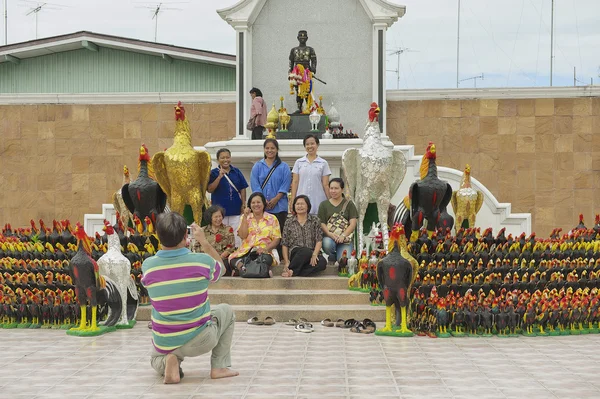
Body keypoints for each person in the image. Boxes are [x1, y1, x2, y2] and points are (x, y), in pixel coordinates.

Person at [141, 212, 238, 384]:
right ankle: (219, 367)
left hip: (166, 340)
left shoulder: (148, 266)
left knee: (154, 358)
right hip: (201, 339)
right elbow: (221, 269)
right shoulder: (201, 262)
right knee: (226, 311)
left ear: (158, 236)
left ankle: (169, 361)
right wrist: (204, 242)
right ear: (186, 235)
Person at [250, 138, 291, 258]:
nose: (270, 150)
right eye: (267, 148)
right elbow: (255, 184)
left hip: (279, 207)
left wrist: (276, 199)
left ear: (277, 150)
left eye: (272, 148)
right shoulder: (257, 166)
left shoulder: (283, 167)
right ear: (264, 149)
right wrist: (263, 201)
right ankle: (262, 254)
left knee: (279, 233)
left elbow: (286, 184)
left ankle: (280, 257)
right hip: (262, 208)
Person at [228, 192, 281, 274]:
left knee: (266, 258)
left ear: (263, 204)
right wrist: (245, 217)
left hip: (263, 251)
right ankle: (260, 271)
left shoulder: (272, 218)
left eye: (258, 202)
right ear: (250, 205)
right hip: (247, 250)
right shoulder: (245, 217)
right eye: (253, 203)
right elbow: (243, 235)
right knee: (233, 259)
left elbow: (277, 239)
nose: (256, 205)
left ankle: (243, 270)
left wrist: (265, 249)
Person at [207, 148, 248, 247]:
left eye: (227, 157)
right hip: (220, 211)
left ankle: (236, 253)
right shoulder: (213, 173)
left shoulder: (236, 171)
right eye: (222, 158)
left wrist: (243, 204)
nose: (225, 160)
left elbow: (243, 188)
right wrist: (219, 177)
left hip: (235, 209)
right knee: (221, 234)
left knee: (236, 234)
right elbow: (209, 189)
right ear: (218, 160)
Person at [281, 195, 327, 277]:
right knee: (305, 251)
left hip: (312, 252)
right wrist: (286, 261)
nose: (300, 206)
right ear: (294, 206)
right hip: (296, 254)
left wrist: (315, 254)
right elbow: (285, 243)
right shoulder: (289, 222)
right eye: (297, 204)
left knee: (322, 262)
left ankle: (295, 272)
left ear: (308, 206)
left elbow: (319, 240)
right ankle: (291, 268)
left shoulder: (315, 220)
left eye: (302, 204)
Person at [318, 178, 358, 263]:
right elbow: (322, 223)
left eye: (336, 188)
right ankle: (332, 255)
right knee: (327, 244)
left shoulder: (349, 204)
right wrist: (329, 234)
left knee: (344, 261)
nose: (333, 191)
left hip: (345, 239)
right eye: (331, 188)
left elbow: (353, 223)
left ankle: (337, 256)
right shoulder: (323, 205)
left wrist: (343, 236)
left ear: (342, 189)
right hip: (330, 237)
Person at [290, 134, 330, 215]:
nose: (310, 146)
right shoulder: (299, 162)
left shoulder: (323, 163)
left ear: (317, 145)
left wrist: (330, 202)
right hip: (301, 202)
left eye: (312, 143)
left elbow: (325, 184)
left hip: (318, 200)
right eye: (307, 144)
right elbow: (295, 182)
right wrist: (292, 200)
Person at [193, 205, 236, 276]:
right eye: (216, 217)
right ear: (210, 218)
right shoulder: (203, 230)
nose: (218, 219)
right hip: (206, 259)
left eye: (220, 216)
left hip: (222, 259)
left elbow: (231, 247)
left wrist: (219, 258)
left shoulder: (228, 229)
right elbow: (197, 246)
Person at [288, 30, 317, 114]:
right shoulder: (293, 50)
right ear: (297, 38)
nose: (302, 39)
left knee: (307, 90)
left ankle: (308, 107)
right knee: (298, 91)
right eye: (300, 37)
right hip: (297, 73)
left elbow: (314, 60)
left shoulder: (310, 49)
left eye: (304, 37)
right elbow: (291, 62)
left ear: (307, 38)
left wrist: (313, 69)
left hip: (306, 72)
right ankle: (299, 107)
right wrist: (290, 73)